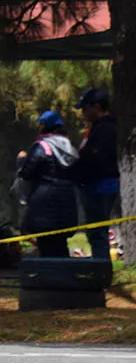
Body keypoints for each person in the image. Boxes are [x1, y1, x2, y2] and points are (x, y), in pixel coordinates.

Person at [13, 110, 80, 257]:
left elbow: (26, 172)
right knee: (61, 243)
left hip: (44, 203)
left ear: (45, 127)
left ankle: (50, 271)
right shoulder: (70, 147)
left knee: (46, 245)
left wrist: (21, 161)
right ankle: (64, 269)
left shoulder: (41, 146)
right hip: (67, 199)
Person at [73, 87, 120, 259]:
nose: (83, 113)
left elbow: (96, 158)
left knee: (98, 232)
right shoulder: (96, 128)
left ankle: (100, 268)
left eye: (85, 108)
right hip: (94, 186)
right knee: (95, 232)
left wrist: (78, 171)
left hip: (100, 186)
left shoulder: (106, 129)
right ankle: (99, 264)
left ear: (97, 107)